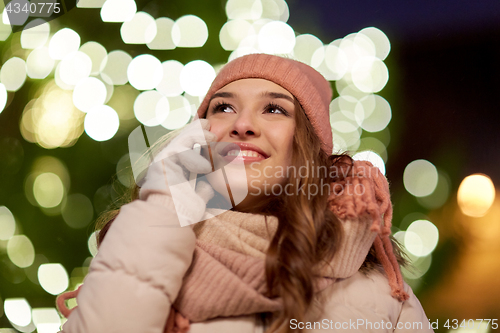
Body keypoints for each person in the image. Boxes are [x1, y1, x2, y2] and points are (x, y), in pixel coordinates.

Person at [56, 53, 434, 333]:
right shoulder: (140, 240)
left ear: (306, 146)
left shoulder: (382, 298)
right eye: (223, 108)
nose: (242, 125)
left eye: (273, 109)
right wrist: (170, 202)